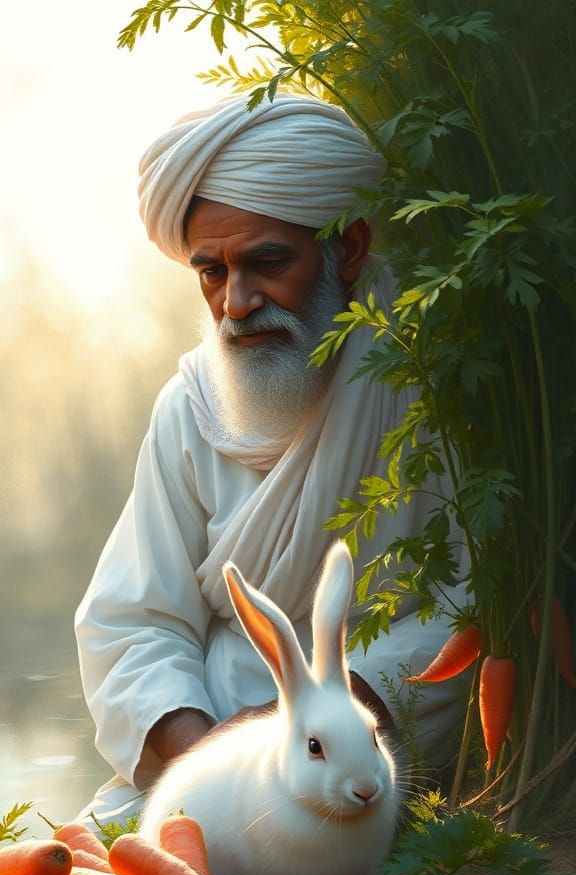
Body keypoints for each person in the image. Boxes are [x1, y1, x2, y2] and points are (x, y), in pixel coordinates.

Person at [74, 93, 467, 827]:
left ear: (347, 248)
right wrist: (207, 761)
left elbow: (473, 611)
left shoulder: (436, 386)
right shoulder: (189, 409)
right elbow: (134, 622)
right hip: (207, 774)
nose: (237, 302)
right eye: (211, 273)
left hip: (368, 769)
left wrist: (312, 734)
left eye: (266, 263)